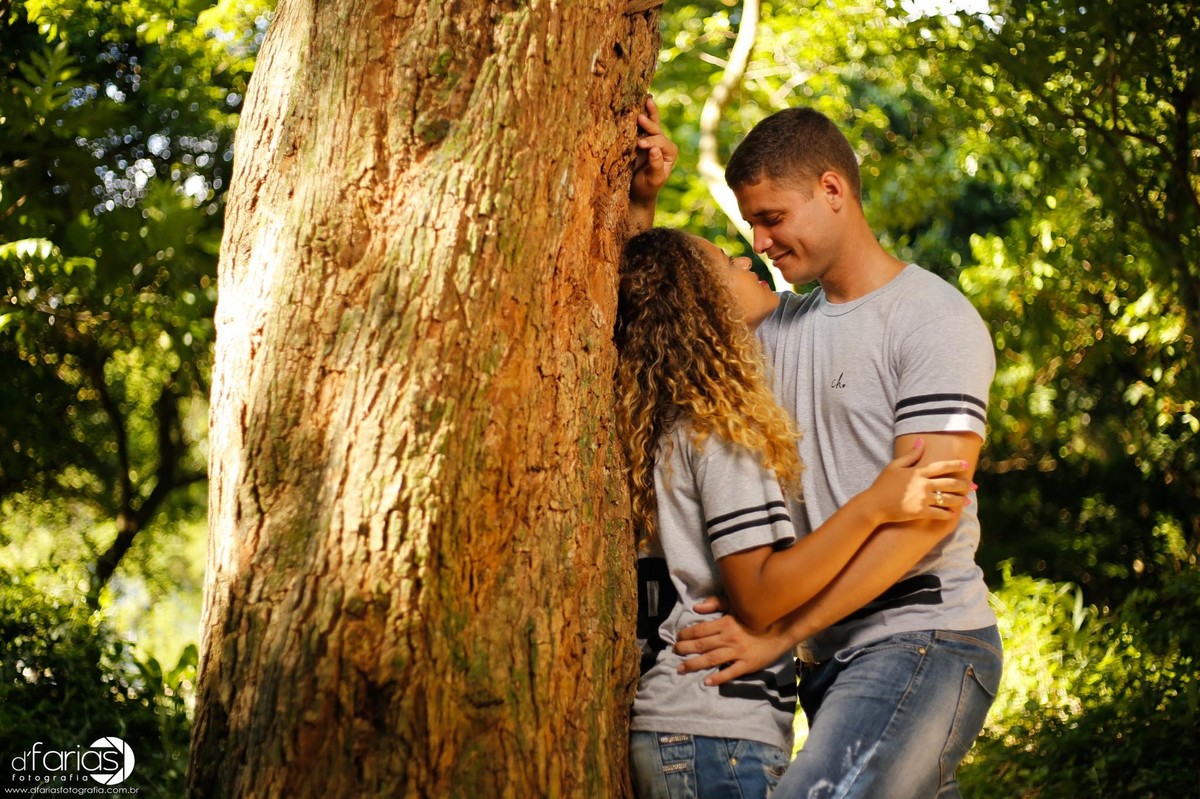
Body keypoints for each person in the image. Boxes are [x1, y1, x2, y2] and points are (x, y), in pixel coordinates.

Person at [668, 107, 1003, 799]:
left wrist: (777, 633)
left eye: (772, 216)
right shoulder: (778, 328)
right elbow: (665, 317)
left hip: (923, 637)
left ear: (831, 189)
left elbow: (927, 519)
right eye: (751, 223)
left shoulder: (933, 319)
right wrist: (640, 200)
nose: (760, 240)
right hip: (825, 660)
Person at [615, 222, 975, 799]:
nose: (746, 255)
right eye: (724, 263)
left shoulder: (659, 417)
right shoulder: (722, 431)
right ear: (698, 299)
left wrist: (643, 201)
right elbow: (758, 600)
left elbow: (640, 280)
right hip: (715, 727)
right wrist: (874, 504)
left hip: (687, 720)